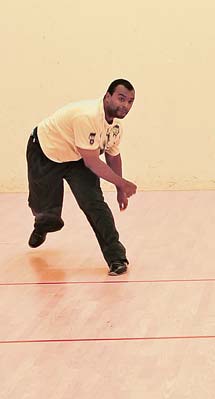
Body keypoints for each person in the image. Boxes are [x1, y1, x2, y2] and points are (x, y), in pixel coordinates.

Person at [26, 79, 138, 276]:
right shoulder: (87, 116)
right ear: (107, 96)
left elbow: (112, 156)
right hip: (45, 152)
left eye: (130, 101)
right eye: (121, 99)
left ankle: (116, 258)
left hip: (78, 157)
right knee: (45, 210)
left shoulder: (116, 127)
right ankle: (43, 224)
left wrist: (121, 190)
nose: (125, 106)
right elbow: (93, 162)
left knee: (94, 204)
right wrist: (122, 183)